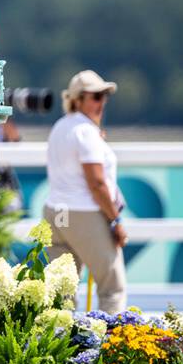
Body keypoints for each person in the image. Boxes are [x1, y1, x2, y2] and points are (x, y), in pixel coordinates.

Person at [42, 70, 127, 313]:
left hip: (55, 213)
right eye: (96, 97)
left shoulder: (61, 126)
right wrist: (116, 220)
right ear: (77, 99)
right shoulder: (86, 132)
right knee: (112, 289)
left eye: (104, 96)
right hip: (85, 215)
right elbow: (97, 184)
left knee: (61, 294)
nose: (102, 102)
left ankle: (58, 347)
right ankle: (113, 348)